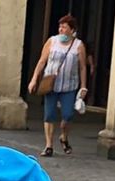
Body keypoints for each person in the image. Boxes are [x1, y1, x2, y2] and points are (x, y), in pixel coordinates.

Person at [28, 15, 89, 157]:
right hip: (51, 85)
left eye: (64, 27)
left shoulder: (78, 45)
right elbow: (42, 61)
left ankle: (63, 136)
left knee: (68, 115)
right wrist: (34, 79)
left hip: (69, 85)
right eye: (60, 27)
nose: (61, 29)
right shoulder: (52, 41)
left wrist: (83, 86)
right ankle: (49, 145)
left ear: (72, 30)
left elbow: (82, 67)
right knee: (49, 115)